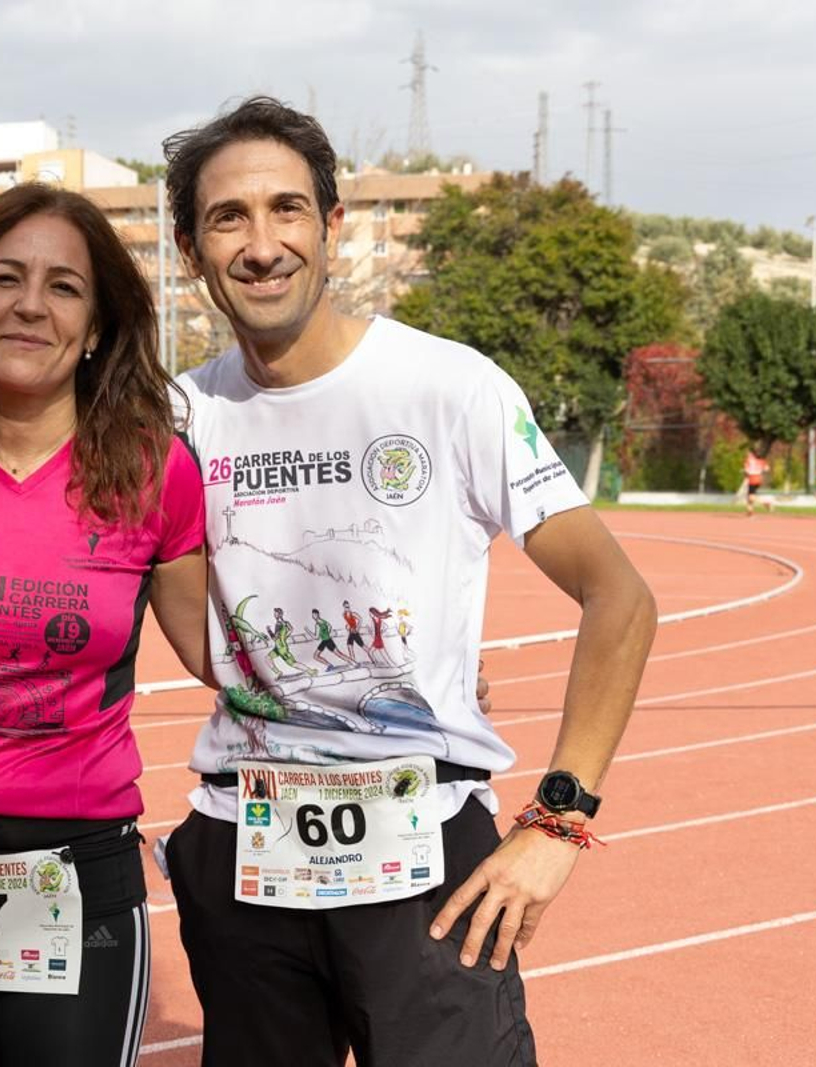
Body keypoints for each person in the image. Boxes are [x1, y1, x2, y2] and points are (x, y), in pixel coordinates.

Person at [158, 96, 658, 1066]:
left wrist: (558, 819)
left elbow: (619, 596)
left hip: (425, 866)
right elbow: (198, 639)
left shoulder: (449, 388)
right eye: (228, 217)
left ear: (332, 225)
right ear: (189, 248)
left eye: (286, 209)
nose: (261, 244)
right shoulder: (176, 417)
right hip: (243, 858)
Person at [0, 182, 209, 1067]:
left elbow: (224, 651)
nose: (32, 304)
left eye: (64, 286)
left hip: (76, 872)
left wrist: (398, 662)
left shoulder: (155, 469)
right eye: (5, 278)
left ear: (98, 325)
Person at [743, 447, 773, 516]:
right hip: (759, 479)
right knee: (750, 496)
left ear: (752, 453)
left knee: (751, 497)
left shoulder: (749, 460)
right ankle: (749, 511)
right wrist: (760, 469)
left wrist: (745, 474)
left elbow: (746, 470)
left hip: (752, 479)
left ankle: (765, 503)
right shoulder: (760, 460)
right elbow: (767, 469)